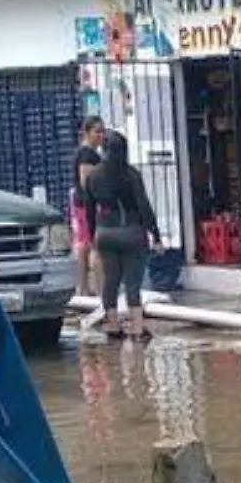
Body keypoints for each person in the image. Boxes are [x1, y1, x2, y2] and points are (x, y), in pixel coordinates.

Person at [81, 130, 163, 340]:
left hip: (105, 233)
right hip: (132, 232)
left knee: (111, 280)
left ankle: (113, 327)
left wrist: (92, 237)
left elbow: (89, 211)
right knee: (133, 282)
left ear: (103, 150)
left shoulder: (93, 177)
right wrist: (156, 235)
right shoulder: (130, 174)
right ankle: (137, 328)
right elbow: (144, 207)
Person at [72, 117, 105, 295]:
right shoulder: (87, 154)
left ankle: (84, 288)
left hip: (82, 203)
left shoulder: (87, 152)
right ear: (87, 133)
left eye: (102, 131)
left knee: (84, 244)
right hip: (87, 205)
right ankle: (93, 289)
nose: (101, 136)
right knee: (91, 245)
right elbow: (86, 181)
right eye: (97, 131)